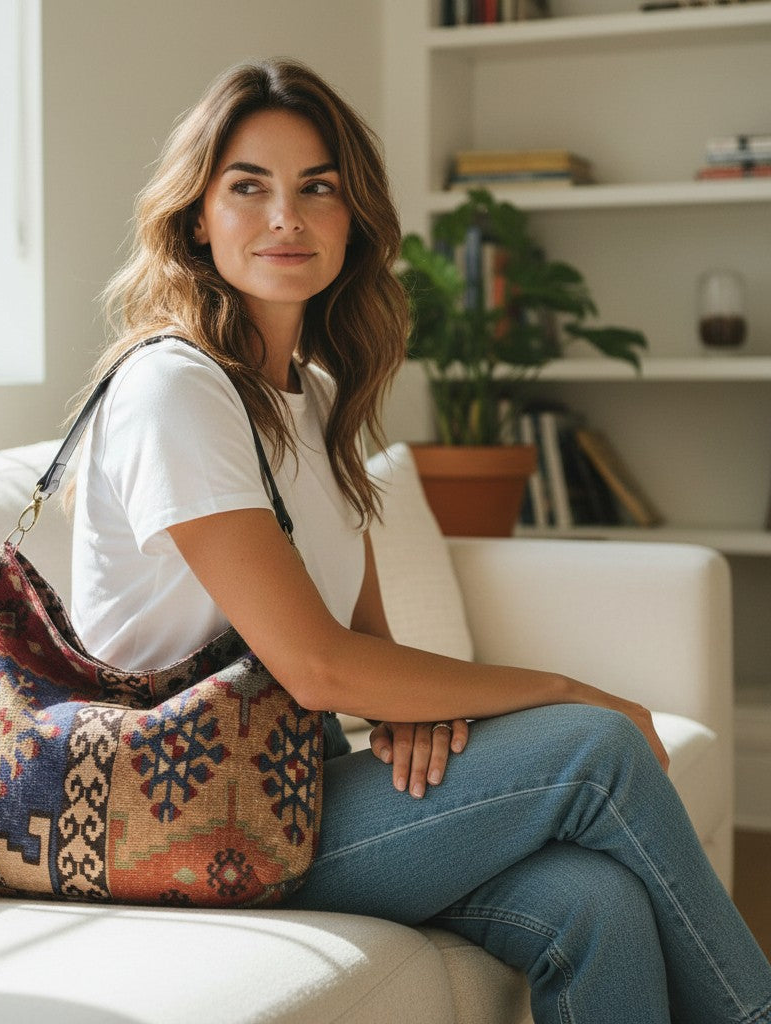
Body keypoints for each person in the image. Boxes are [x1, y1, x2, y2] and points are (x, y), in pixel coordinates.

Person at [69, 58, 771, 1024]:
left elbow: (365, 656)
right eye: (249, 187)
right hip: (174, 815)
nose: (287, 217)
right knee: (596, 743)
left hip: (287, 785)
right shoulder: (172, 387)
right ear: (196, 216)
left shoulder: (312, 396)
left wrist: (415, 703)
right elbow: (322, 670)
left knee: (592, 905)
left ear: (353, 217)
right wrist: (563, 691)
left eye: (319, 188)